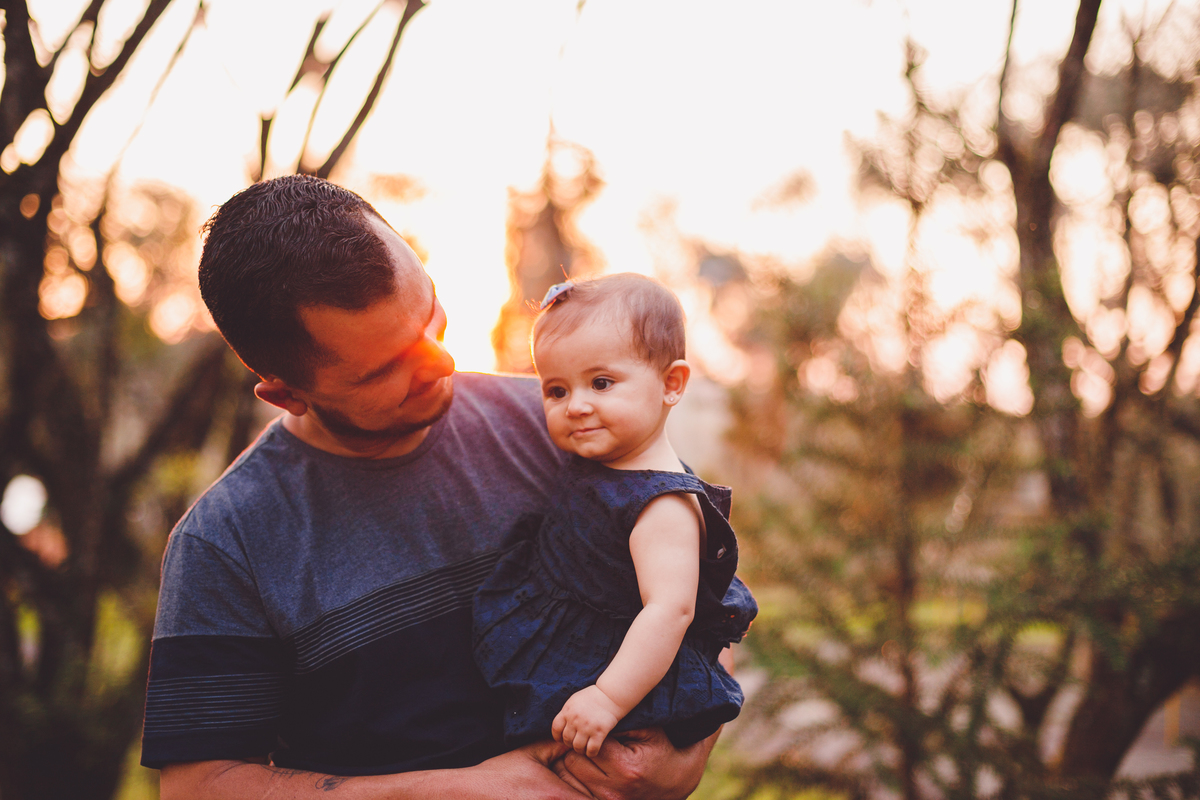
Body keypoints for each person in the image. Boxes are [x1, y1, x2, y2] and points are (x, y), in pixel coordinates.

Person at [140, 175, 721, 799]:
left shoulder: (566, 426)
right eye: (387, 367)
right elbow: (198, 786)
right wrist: (463, 791)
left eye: (430, 311)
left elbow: (705, 592)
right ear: (287, 393)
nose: (441, 362)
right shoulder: (226, 544)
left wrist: (682, 752)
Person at [473, 275, 756, 759]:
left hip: (614, 669)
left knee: (576, 766)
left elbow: (671, 611)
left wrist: (607, 697)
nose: (577, 406)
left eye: (601, 383)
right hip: (566, 638)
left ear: (671, 384)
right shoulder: (600, 461)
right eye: (557, 390)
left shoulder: (663, 504)